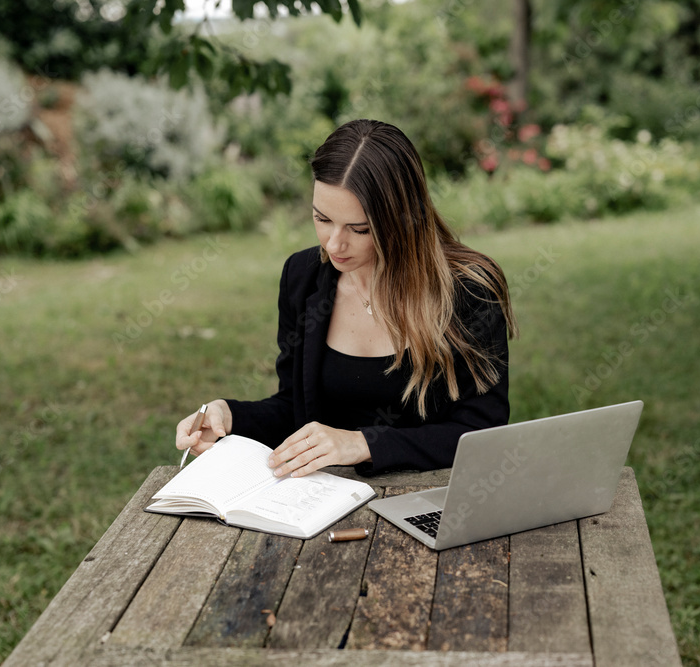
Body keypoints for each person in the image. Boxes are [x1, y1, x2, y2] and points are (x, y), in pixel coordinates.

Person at [175, 119, 518, 476]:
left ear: (401, 219)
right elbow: (296, 409)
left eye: (359, 229)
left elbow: (481, 432)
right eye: (322, 219)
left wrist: (363, 444)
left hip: (429, 493)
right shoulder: (302, 278)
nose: (334, 244)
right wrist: (229, 415)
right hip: (325, 497)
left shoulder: (469, 289)